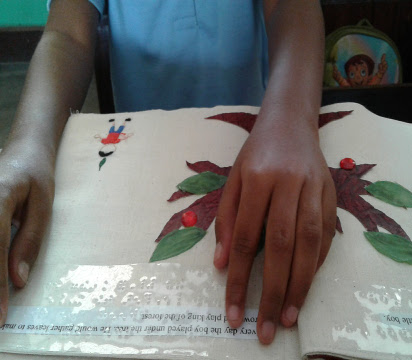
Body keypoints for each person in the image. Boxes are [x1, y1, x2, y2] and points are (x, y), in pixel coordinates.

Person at [0, 0, 337, 345]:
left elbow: (293, 7)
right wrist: (28, 144)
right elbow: (67, 34)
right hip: (139, 169)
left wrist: (291, 116)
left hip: (259, 147)